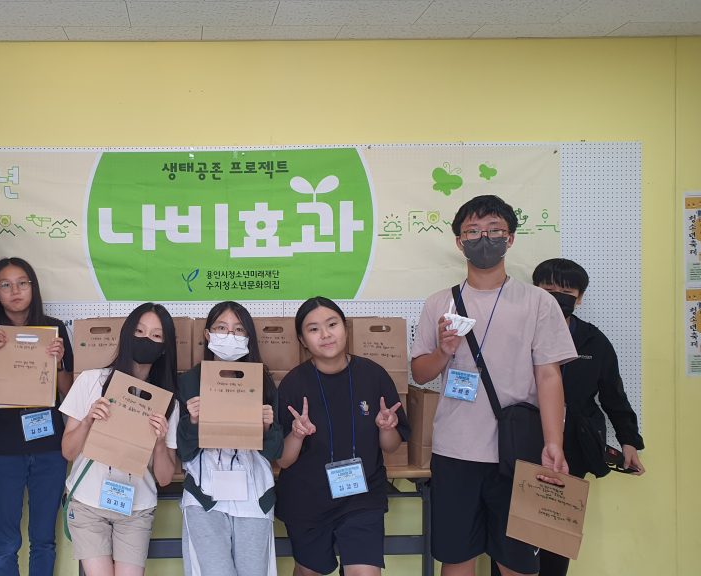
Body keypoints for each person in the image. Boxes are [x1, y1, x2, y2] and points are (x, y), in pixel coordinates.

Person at [410, 195, 578, 576]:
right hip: (455, 452)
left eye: (494, 230)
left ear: (510, 238)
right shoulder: (439, 304)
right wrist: (443, 351)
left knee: (517, 563)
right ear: (459, 241)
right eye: (472, 231)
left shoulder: (538, 302)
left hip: (519, 454)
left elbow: (549, 376)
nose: (484, 238)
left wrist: (554, 443)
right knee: (456, 560)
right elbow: (420, 372)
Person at [490, 258, 644, 576]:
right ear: (534, 292)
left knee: (555, 535)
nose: (555, 297)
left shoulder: (593, 341)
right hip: (520, 444)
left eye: (566, 292)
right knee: (512, 536)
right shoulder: (513, 333)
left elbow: (613, 394)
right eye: (547, 290)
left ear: (580, 297)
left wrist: (629, 441)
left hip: (572, 448)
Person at [276, 297, 408, 576]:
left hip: (361, 495)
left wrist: (387, 428)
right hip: (307, 498)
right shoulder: (293, 384)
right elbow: (284, 461)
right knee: (308, 571)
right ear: (302, 340)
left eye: (332, 324)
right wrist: (297, 435)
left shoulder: (373, 375)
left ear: (345, 328)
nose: (325, 334)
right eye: (313, 329)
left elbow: (391, 447)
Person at [59, 302, 180, 576]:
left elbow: (164, 478)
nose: (146, 339)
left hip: (136, 508)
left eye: (156, 335)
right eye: (139, 331)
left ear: (165, 347)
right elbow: (68, 451)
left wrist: (160, 441)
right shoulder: (91, 381)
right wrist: (88, 420)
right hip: (88, 502)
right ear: (126, 334)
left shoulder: (167, 402)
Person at [0, 257, 74, 576]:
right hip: (4, 449)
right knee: (6, 542)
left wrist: (58, 363)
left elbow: (69, 394)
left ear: (33, 287)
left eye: (22, 283)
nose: (15, 291)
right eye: (5, 285)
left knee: (43, 539)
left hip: (49, 447)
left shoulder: (54, 329)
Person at [176, 301, 284, 576]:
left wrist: (266, 427)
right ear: (208, 334)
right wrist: (194, 421)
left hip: (254, 497)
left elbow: (274, 453)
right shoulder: (190, 381)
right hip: (204, 497)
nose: (230, 335)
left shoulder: (262, 381)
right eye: (222, 328)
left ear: (248, 337)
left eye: (239, 330)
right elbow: (183, 452)